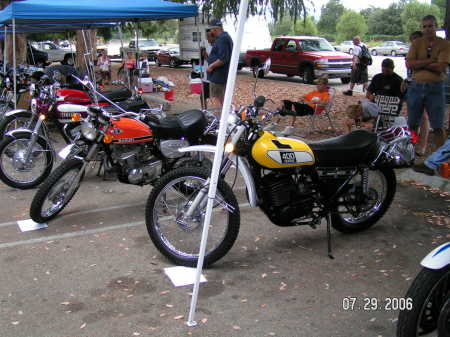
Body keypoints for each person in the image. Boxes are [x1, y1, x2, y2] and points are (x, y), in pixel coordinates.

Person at [406, 14, 450, 151]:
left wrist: (419, 64)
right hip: (416, 86)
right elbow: (409, 64)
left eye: (430, 26)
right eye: (424, 27)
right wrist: (431, 61)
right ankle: (411, 152)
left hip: (435, 87)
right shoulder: (416, 43)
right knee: (412, 124)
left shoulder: (444, 44)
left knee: (438, 126)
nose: (427, 29)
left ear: (436, 26)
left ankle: (440, 160)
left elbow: (440, 67)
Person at [404, 31, 431, 156]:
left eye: (416, 39)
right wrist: (406, 81)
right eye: (412, 39)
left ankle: (422, 146)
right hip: (412, 87)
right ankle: (412, 142)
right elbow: (410, 72)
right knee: (412, 117)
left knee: (424, 117)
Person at [206, 18, 233, 109]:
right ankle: (224, 117)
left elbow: (223, 58)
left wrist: (211, 66)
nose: (211, 32)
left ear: (215, 29)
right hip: (219, 76)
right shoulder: (223, 38)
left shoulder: (223, 39)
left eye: (211, 30)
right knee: (221, 100)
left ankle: (220, 120)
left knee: (217, 100)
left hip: (219, 77)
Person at [200, 29, 216, 109]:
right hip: (206, 77)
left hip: (214, 78)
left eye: (208, 36)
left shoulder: (216, 47)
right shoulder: (207, 44)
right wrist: (202, 53)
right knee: (202, 96)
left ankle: (218, 112)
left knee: (216, 97)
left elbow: (213, 61)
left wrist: (206, 56)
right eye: (206, 36)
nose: (207, 38)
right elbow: (203, 59)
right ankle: (204, 111)